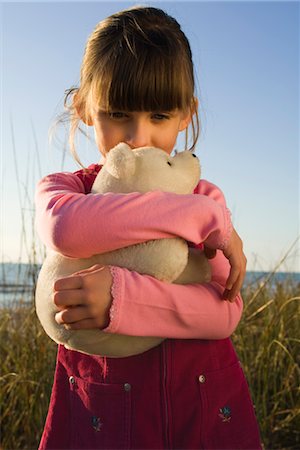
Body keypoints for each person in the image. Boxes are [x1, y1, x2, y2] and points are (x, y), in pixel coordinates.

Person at [35, 6, 262, 449]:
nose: (137, 138)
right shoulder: (67, 191)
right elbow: (66, 230)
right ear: (84, 109)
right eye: (118, 113)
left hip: (203, 404)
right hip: (105, 407)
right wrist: (199, 218)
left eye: (159, 116)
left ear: (185, 115)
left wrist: (126, 300)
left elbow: (225, 311)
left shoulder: (204, 196)